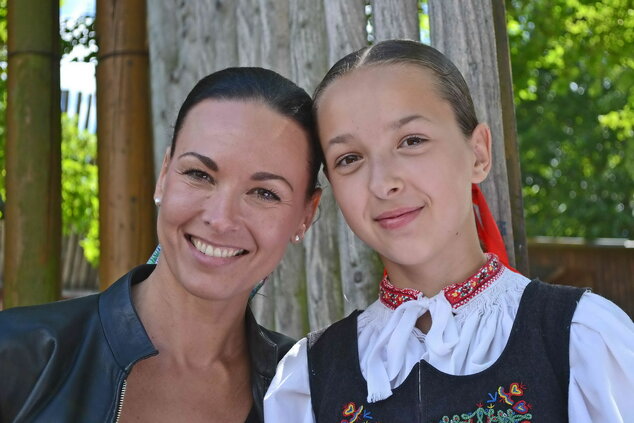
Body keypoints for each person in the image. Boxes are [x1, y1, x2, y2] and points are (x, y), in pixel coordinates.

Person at [264, 40, 634, 422]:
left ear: (478, 154)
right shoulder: (308, 378)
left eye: (412, 141)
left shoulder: (580, 338)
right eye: (350, 158)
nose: (382, 183)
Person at [0, 67, 322, 423]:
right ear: (164, 176)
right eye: (200, 174)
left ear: (307, 215)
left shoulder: (312, 392)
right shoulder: (15, 354)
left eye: (264, 193)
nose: (220, 218)